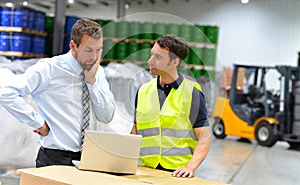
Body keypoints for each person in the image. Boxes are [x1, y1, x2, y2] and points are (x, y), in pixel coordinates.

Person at [0, 18, 115, 167]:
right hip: (55, 159)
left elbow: (106, 117)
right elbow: (7, 93)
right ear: (73, 46)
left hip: (88, 159)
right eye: (88, 50)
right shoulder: (50, 69)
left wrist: (92, 83)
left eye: (98, 50)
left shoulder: (97, 72)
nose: (94, 57)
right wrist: (37, 122)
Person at [131, 35, 210, 178]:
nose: (150, 61)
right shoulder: (143, 90)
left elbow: (204, 139)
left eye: (158, 57)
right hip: (146, 170)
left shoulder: (192, 93)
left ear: (175, 61)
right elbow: (134, 132)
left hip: (177, 174)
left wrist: (190, 168)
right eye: (151, 55)